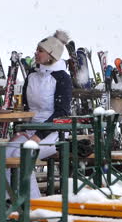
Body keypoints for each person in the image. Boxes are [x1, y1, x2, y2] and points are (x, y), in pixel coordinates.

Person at [6, 30, 72, 199]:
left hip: (53, 133)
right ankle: (10, 203)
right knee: (5, 156)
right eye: (36, 49)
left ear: (51, 55)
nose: (36, 53)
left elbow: (62, 113)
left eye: (40, 50)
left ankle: (34, 207)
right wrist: (20, 128)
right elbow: (27, 106)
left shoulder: (62, 78)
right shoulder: (32, 75)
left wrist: (38, 136)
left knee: (22, 156)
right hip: (30, 129)